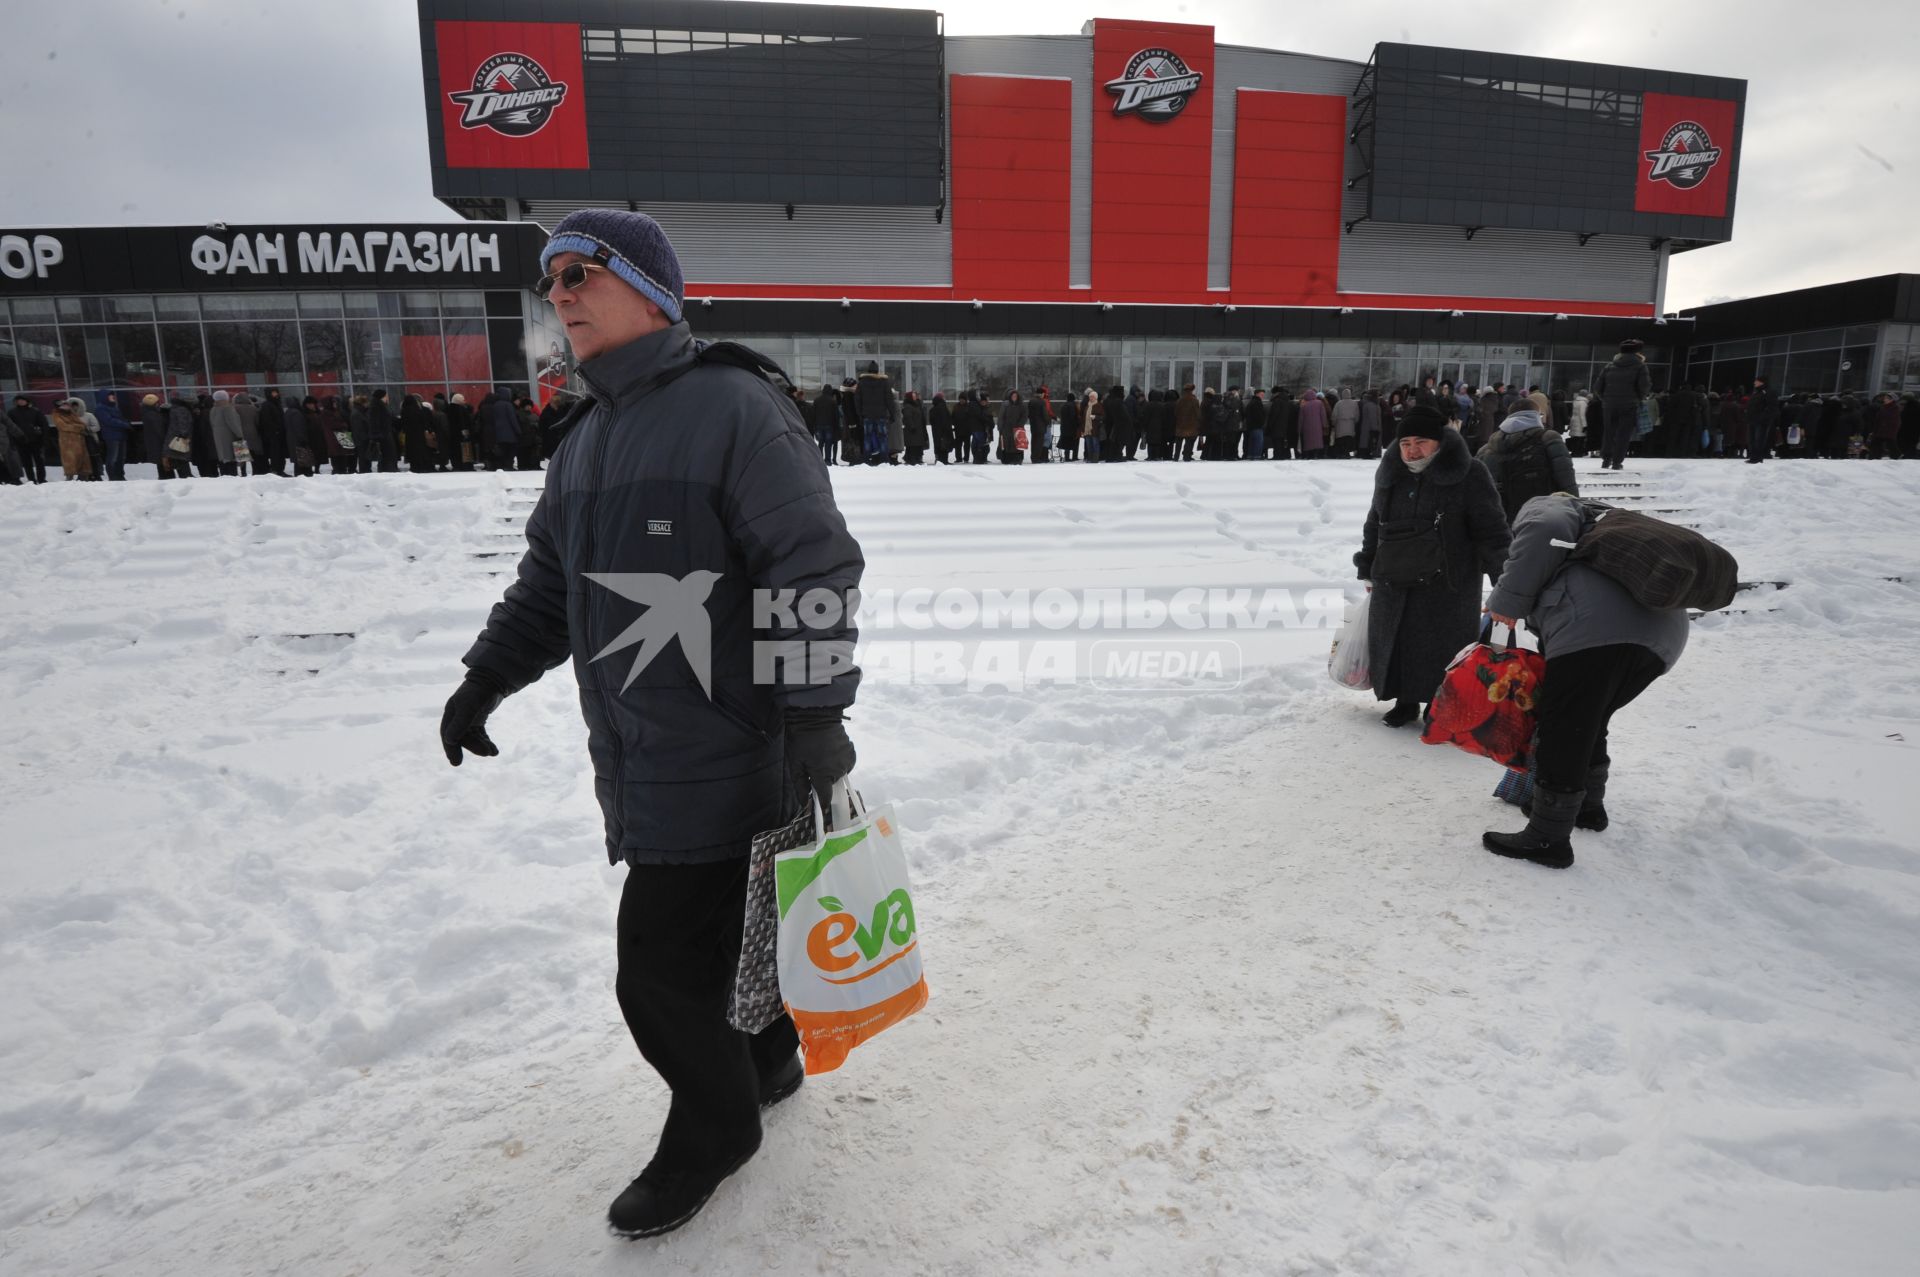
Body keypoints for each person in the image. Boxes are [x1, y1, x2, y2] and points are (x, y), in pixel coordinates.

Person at [440, 208, 863, 1239]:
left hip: (730, 747)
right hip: (644, 749)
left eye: (583, 270)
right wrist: (484, 677)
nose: (561, 291)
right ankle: (764, 1061)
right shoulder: (584, 440)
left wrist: (814, 715)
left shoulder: (733, 407)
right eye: (551, 278)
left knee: (659, 971)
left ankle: (716, 1125)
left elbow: (810, 563)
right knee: (728, 930)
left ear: (653, 290)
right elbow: (549, 588)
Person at [1480, 493, 1689, 867]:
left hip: (1595, 631)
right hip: (1663, 637)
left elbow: (1544, 528)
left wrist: (1505, 603)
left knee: (1563, 729)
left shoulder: (1549, 505)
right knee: (1590, 719)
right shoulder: (1611, 523)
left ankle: (1547, 839)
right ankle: (1588, 809)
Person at [1353, 406, 1511, 727]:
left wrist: (1506, 584)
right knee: (1397, 641)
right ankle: (1404, 700)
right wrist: (1368, 565)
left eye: (1421, 442)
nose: (1412, 450)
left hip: (1447, 582)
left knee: (1440, 645)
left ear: (1440, 442)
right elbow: (1374, 522)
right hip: (1394, 577)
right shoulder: (1391, 473)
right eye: (1405, 443)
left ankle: (1440, 703)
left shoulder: (1470, 473)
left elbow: (1492, 532)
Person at [1476, 401, 1577, 524]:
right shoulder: (1548, 438)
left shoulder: (1487, 448)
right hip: (1541, 517)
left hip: (1499, 520)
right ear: (1535, 416)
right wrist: (1576, 507)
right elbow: (1565, 475)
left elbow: (1477, 487)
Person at [1593, 339, 1651, 471]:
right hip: (1629, 405)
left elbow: (1597, 387)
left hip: (1609, 405)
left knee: (1609, 432)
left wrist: (1605, 399)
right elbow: (1645, 386)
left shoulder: (1609, 366)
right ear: (1638, 353)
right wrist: (1639, 398)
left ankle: (1606, 459)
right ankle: (1617, 461)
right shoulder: (1640, 366)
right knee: (1623, 434)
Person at [855, 362, 893, 466]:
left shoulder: (862, 383)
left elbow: (857, 400)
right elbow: (889, 399)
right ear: (877, 371)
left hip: (867, 415)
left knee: (867, 437)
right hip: (881, 415)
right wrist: (892, 413)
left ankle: (867, 458)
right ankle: (884, 459)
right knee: (883, 437)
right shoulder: (884, 382)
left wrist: (860, 414)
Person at [8, 396, 48, 484]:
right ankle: (31, 479)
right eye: (19, 401)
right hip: (21, 441)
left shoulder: (35, 411)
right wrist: (14, 439)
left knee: (39, 461)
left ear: (27, 401)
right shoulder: (12, 412)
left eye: (23, 400)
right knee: (27, 463)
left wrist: (43, 438)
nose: (21, 402)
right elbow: (10, 427)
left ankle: (41, 479)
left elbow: (44, 425)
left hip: (36, 441)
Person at [51, 399, 95, 480]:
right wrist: (78, 427)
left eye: (67, 405)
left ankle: (83, 478)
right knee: (70, 460)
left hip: (79, 441)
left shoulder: (72, 414)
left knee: (82, 460)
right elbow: (63, 426)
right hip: (68, 442)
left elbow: (82, 424)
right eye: (63, 405)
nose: (66, 406)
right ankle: (69, 479)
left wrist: (78, 426)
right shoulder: (57, 415)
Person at [94, 391, 132, 481]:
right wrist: (124, 424)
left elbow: (118, 418)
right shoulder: (100, 408)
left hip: (121, 435)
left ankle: (120, 475)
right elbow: (109, 421)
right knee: (112, 457)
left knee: (121, 458)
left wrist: (126, 423)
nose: (113, 397)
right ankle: (113, 476)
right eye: (110, 395)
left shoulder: (114, 407)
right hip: (111, 436)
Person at [210, 390, 246, 476]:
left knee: (224, 461)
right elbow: (233, 423)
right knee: (232, 461)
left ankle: (225, 477)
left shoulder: (213, 409)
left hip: (219, 439)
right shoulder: (228, 408)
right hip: (230, 438)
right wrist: (240, 435)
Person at [1744, 375, 1779, 464]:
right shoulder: (1756, 393)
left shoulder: (1769, 392)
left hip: (1761, 421)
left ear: (1762, 382)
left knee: (1759, 439)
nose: (1754, 383)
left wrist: (1762, 418)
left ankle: (1757, 458)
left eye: (1756, 381)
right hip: (1752, 420)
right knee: (1751, 439)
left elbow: (1772, 407)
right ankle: (1753, 457)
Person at [402, 393, 438, 473]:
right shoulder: (421, 410)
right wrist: (429, 430)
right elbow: (427, 422)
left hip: (411, 436)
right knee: (425, 451)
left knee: (414, 452)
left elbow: (404, 424)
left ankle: (416, 466)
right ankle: (426, 466)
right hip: (421, 435)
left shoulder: (405, 410)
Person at [319, 395, 355, 474]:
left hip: (342, 436)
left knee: (344, 456)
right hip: (335, 437)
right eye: (333, 402)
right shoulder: (326, 413)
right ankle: (338, 472)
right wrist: (343, 425)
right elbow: (335, 424)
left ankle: (343, 471)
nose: (335, 404)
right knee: (337, 457)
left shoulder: (336, 411)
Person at [258, 388, 290, 476]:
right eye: (273, 393)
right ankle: (275, 470)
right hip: (273, 435)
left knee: (281, 454)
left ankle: (280, 470)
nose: (276, 395)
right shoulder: (267, 405)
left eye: (276, 393)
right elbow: (266, 421)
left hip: (280, 434)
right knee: (275, 454)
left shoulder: (277, 404)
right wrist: (274, 431)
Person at [810, 383, 841, 465]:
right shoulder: (832, 401)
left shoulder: (816, 400)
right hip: (829, 425)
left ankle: (819, 459)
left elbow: (813, 414)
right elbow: (836, 415)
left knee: (821, 442)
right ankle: (827, 460)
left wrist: (814, 425)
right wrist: (836, 426)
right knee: (828, 443)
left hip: (819, 425)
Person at [287, 396, 316, 477]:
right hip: (299, 441)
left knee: (298, 461)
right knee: (303, 461)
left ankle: (300, 475)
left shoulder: (288, 412)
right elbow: (299, 427)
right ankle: (304, 475)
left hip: (292, 440)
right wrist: (303, 439)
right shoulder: (297, 413)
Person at [1295, 389, 1327, 459]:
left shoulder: (1304, 405)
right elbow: (1323, 415)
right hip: (1318, 427)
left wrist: (1299, 429)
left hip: (1307, 428)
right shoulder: (1320, 403)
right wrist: (1324, 425)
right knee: (1317, 440)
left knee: (1309, 442)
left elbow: (1301, 419)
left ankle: (1310, 455)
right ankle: (1316, 454)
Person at [997, 389, 1025, 464]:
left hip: (1017, 428)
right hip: (1007, 428)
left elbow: (1024, 416)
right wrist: (1000, 427)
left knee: (1017, 444)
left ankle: (1017, 459)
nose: (1014, 397)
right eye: (1013, 396)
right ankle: (1007, 459)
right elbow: (1001, 417)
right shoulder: (1005, 405)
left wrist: (1020, 425)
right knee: (1007, 444)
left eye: (1015, 396)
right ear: (1010, 397)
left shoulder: (1021, 405)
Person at [1027, 386, 1053, 464]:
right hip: (1041, 426)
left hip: (1033, 425)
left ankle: (1033, 457)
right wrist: (1048, 421)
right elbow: (1044, 414)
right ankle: (1037, 458)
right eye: (1043, 394)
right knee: (1039, 442)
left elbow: (1028, 414)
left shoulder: (1031, 401)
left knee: (1033, 441)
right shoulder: (1042, 402)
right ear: (1041, 394)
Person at [902, 389, 928, 465]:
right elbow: (908, 417)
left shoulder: (916, 405)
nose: (915, 397)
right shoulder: (908, 406)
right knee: (912, 445)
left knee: (917, 445)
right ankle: (911, 459)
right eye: (913, 396)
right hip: (912, 430)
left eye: (915, 396)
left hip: (918, 429)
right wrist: (912, 426)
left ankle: (917, 458)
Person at [1243, 388, 1268, 460]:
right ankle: (1257, 456)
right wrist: (1262, 422)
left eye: (1263, 394)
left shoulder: (1252, 402)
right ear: (1257, 394)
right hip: (1257, 426)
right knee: (1258, 442)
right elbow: (1258, 415)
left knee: (1252, 442)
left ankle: (1251, 455)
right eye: (1261, 394)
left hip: (1252, 426)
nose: (1263, 396)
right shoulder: (1257, 402)